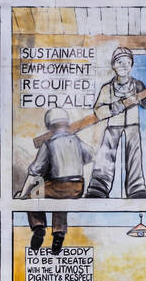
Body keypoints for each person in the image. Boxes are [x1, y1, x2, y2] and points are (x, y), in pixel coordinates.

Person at [20, 107, 94, 255]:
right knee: (61, 201)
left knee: (33, 194)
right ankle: (59, 233)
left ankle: (39, 227)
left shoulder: (48, 144)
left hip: (57, 186)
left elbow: (35, 171)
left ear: (50, 126)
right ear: (66, 124)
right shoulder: (77, 140)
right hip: (78, 187)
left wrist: (23, 194)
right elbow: (91, 155)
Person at [87, 47, 146, 198]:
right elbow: (98, 110)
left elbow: (145, 104)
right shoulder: (107, 88)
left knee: (134, 156)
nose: (123, 65)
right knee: (106, 154)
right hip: (113, 126)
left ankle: (137, 189)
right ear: (113, 65)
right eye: (119, 62)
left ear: (131, 65)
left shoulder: (137, 85)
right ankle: (98, 188)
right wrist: (112, 108)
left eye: (127, 62)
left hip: (132, 125)